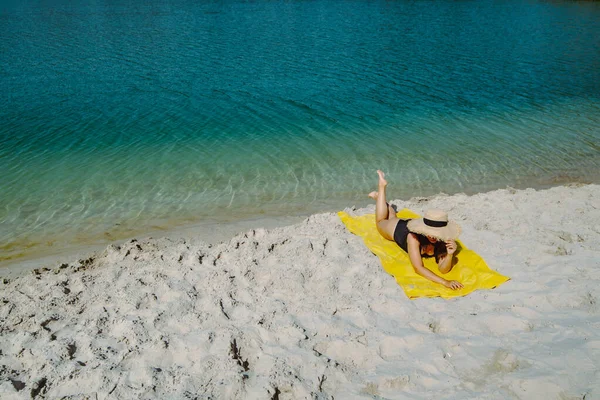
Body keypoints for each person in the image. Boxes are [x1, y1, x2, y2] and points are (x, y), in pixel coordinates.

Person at [368, 170, 464, 290]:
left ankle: (380, 200)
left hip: (405, 222)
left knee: (392, 216)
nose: (433, 237)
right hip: (397, 228)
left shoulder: (444, 239)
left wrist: (450, 255)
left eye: (436, 233)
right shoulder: (413, 238)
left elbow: (443, 269)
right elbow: (418, 268)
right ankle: (381, 188)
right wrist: (445, 283)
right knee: (381, 221)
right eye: (430, 233)